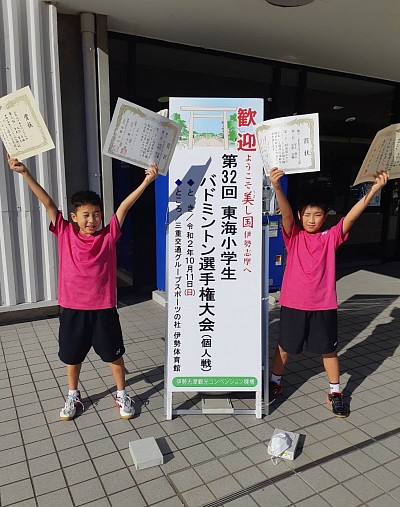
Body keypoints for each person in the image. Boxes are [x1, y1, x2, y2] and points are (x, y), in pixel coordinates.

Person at [7, 154, 158, 421]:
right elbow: (48, 203)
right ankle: (73, 395)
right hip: (72, 309)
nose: (92, 219)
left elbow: (123, 207)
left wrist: (147, 182)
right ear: (74, 217)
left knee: (114, 356)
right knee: (72, 357)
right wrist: (25, 173)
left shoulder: (109, 235)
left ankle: (122, 394)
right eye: (86, 215)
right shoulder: (65, 232)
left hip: (104, 309)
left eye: (97, 214)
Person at [268, 167, 390, 418]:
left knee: (329, 350)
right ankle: (274, 383)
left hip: (323, 305)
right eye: (308, 214)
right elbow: (287, 216)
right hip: (294, 304)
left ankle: (335, 392)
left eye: (318, 215)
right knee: (284, 347)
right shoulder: (294, 236)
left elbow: (352, 218)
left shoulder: (330, 237)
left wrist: (374, 190)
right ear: (301, 215)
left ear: (326, 216)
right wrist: (277, 188)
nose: (312, 219)